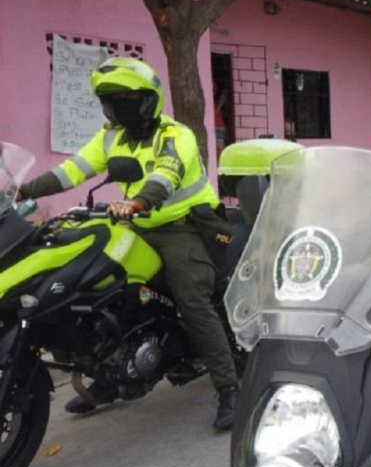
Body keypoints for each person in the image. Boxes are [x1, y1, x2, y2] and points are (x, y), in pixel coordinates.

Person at [16, 57, 240, 430]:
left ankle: (229, 387)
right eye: (113, 100)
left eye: (129, 99)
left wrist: (137, 202)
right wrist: (23, 191)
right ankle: (109, 375)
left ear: (148, 100)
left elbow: (165, 175)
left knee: (192, 300)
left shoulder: (175, 135)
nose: (122, 107)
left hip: (181, 227)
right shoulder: (111, 136)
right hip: (131, 223)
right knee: (99, 290)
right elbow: (74, 169)